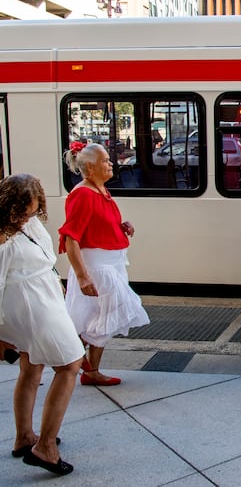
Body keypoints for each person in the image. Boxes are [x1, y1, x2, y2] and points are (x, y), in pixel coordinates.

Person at [0, 174, 83, 476]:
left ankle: (24, 437)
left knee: (32, 365)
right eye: (23, 209)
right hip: (30, 307)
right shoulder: (2, 238)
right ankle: (45, 447)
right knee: (71, 364)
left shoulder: (29, 223)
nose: (29, 214)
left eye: (33, 209)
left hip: (42, 299)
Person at [59, 143, 150, 386]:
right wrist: (82, 276)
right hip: (97, 268)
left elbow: (96, 225)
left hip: (111, 264)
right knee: (109, 311)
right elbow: (71, 238)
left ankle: (89, 369)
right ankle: (74, 356)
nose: (111, 163)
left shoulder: (100, 190)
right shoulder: (83, 194)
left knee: (102, 315)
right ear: (90, 167)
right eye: (105, 160)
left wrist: (121, 226)